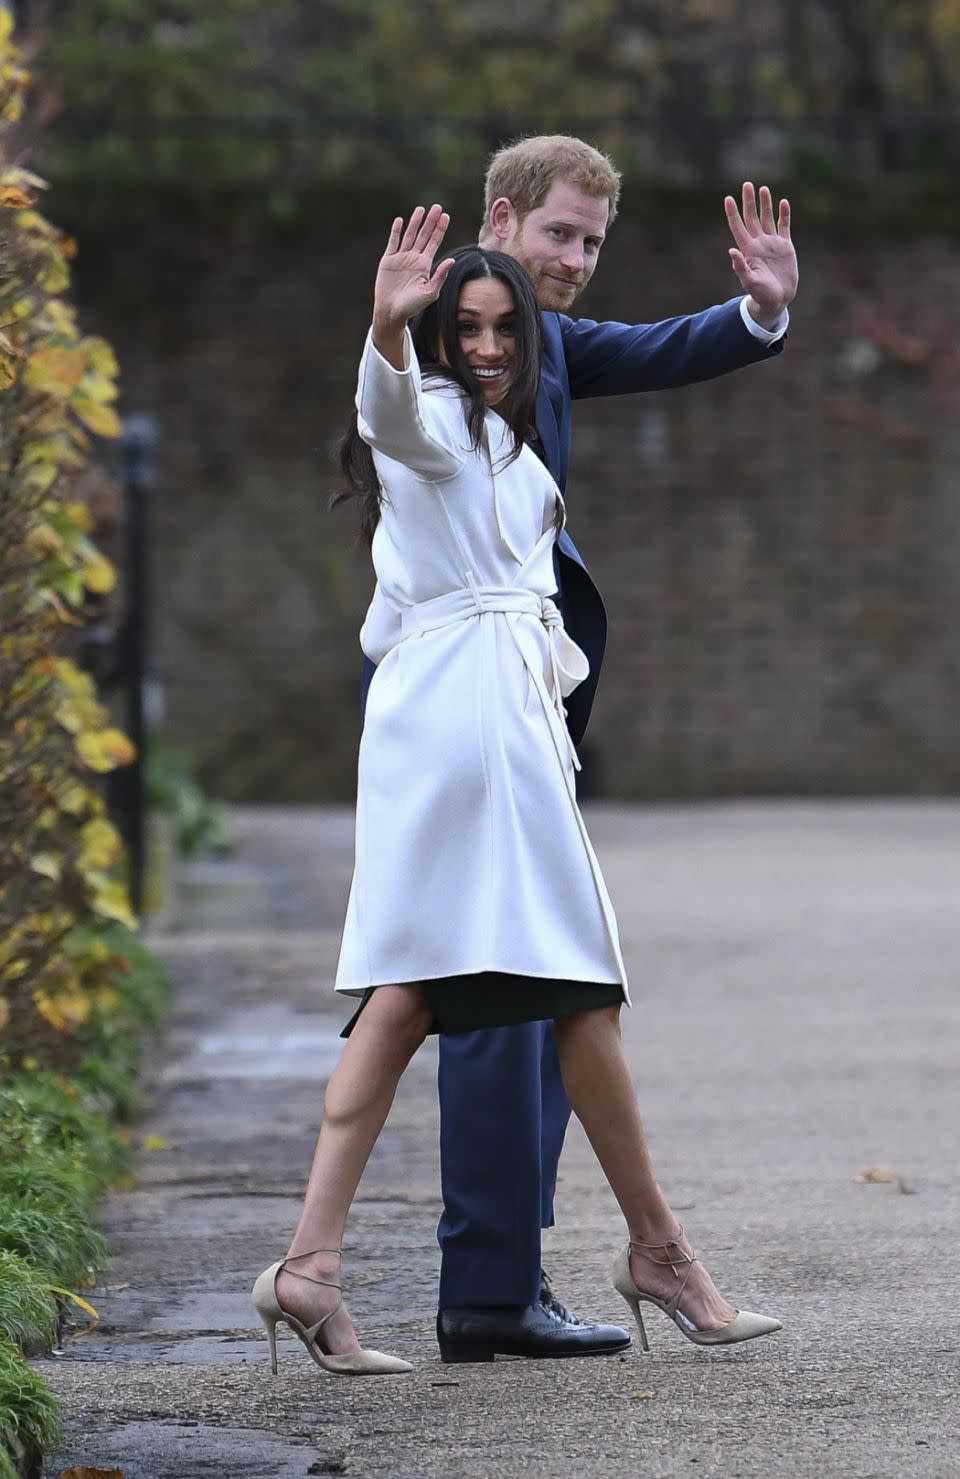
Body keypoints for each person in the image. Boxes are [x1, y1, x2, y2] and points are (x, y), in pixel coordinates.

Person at [252, 206, 783, 1375]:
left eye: (504, 329)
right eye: (466, 328)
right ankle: (663, 1256)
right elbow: (389, 411)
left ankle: (311, 1266)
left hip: (476, 714)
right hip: (476, 727)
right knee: (580, 984)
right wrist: (388, 335)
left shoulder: (493, 433)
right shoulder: (432, 416)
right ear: (438, 336)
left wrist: (762, 309)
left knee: (407, 1001)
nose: (487, 346)